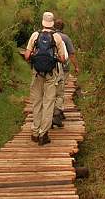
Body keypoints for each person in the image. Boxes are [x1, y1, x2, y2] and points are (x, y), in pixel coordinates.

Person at [24, 12, 66, 145]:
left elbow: (26, 55)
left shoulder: (35, 35)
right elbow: (63, 59)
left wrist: (35, 59)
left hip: (37, 73)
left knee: (37, 102)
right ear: (52, 23)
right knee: (48, 103)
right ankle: (43, 134)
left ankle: (35, 132)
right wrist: (54, 58)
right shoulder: (57, 37)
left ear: (43, 22)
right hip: (51, 74)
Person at [52, 18, 79, 127]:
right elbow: (71, 54)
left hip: (52, 67)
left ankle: (55, 112)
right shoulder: (66, 38)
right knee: (60, 91)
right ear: (63, 27)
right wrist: (76, 66)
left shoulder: (51, 36)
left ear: (54, 26)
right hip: (65, 67)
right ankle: (57, 114)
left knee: (51, 89)